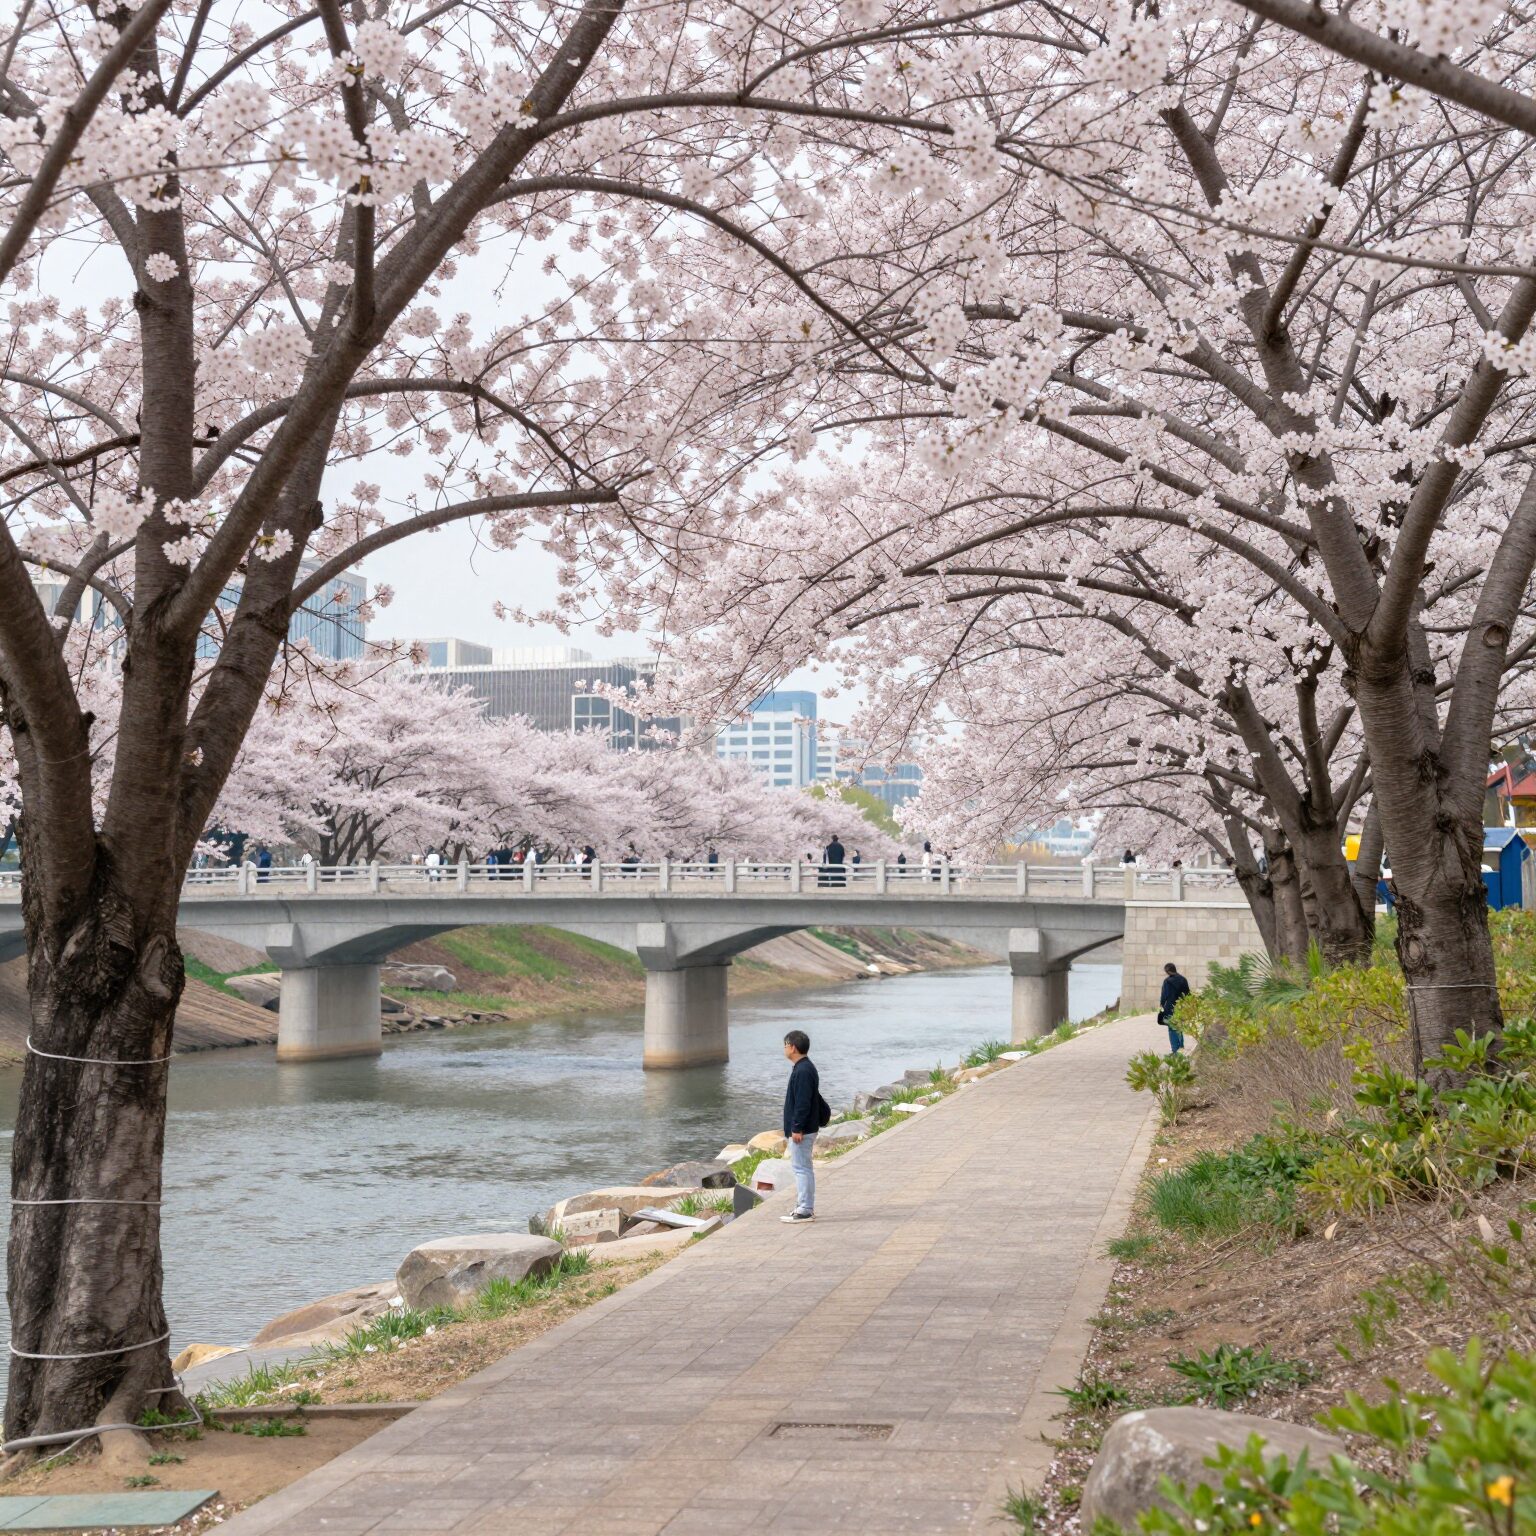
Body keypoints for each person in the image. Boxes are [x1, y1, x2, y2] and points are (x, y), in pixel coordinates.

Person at [781, 1029, 825, 1224]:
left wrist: (797, 1128)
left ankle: (805, 1208)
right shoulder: (803, 1068)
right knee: (803, 1167)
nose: (784, 1049)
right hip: (806, 1128)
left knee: (802, 1168)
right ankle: (803, 1206)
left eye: (785, 1045)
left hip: (803, 1130)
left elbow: (803, 1102)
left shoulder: (803, 1070)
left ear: (793, 1047)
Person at [1158, 962, 1190, 1054]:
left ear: (1167, 971)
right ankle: (1181, 1046)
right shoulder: (1183, 979)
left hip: (1170, 1007)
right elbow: (1187, 994)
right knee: (1179, 1026)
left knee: (1172, 1028)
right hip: (1181, 1006)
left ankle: (1175, 1050)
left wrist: (1161, 1005)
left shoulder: (1167, 981)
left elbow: (1164, 996)